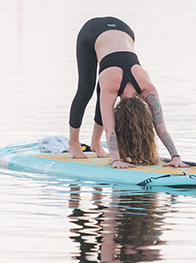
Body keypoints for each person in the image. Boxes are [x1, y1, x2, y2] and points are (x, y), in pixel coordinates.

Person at [68, 16, 185, 169]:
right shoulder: (112, 87)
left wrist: (175, 157)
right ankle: (73, 143)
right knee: (85, 90)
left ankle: (95, 143)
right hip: (91, 33)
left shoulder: (148, 88)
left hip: (125, 31)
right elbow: (110, 129)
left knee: (103, 95)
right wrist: (116, 159)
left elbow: (159, 127)